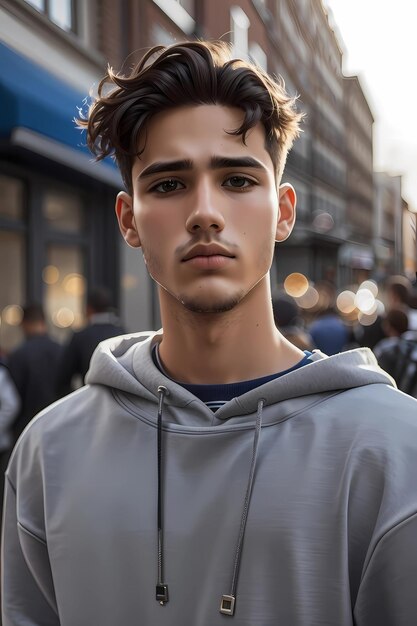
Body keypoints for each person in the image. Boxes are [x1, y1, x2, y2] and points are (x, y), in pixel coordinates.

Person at [3, 41, 417, 626]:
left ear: (283, 212)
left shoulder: (396, 450)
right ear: (128, 220)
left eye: (238, 180)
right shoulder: (48, 453)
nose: (205, 212)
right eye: (169, 184)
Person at [7, 304, 62, 442]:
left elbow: (12, 398)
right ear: (44, 321)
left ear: (24, 324)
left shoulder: (19, 355)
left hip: (27, 429)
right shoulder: (61, 351)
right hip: (58, 423)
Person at [55, 287, 124, 396]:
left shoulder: (80, 336)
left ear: (88, 308)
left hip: (91, 399)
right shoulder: (123, 333)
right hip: (120, 402)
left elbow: (63, 378)